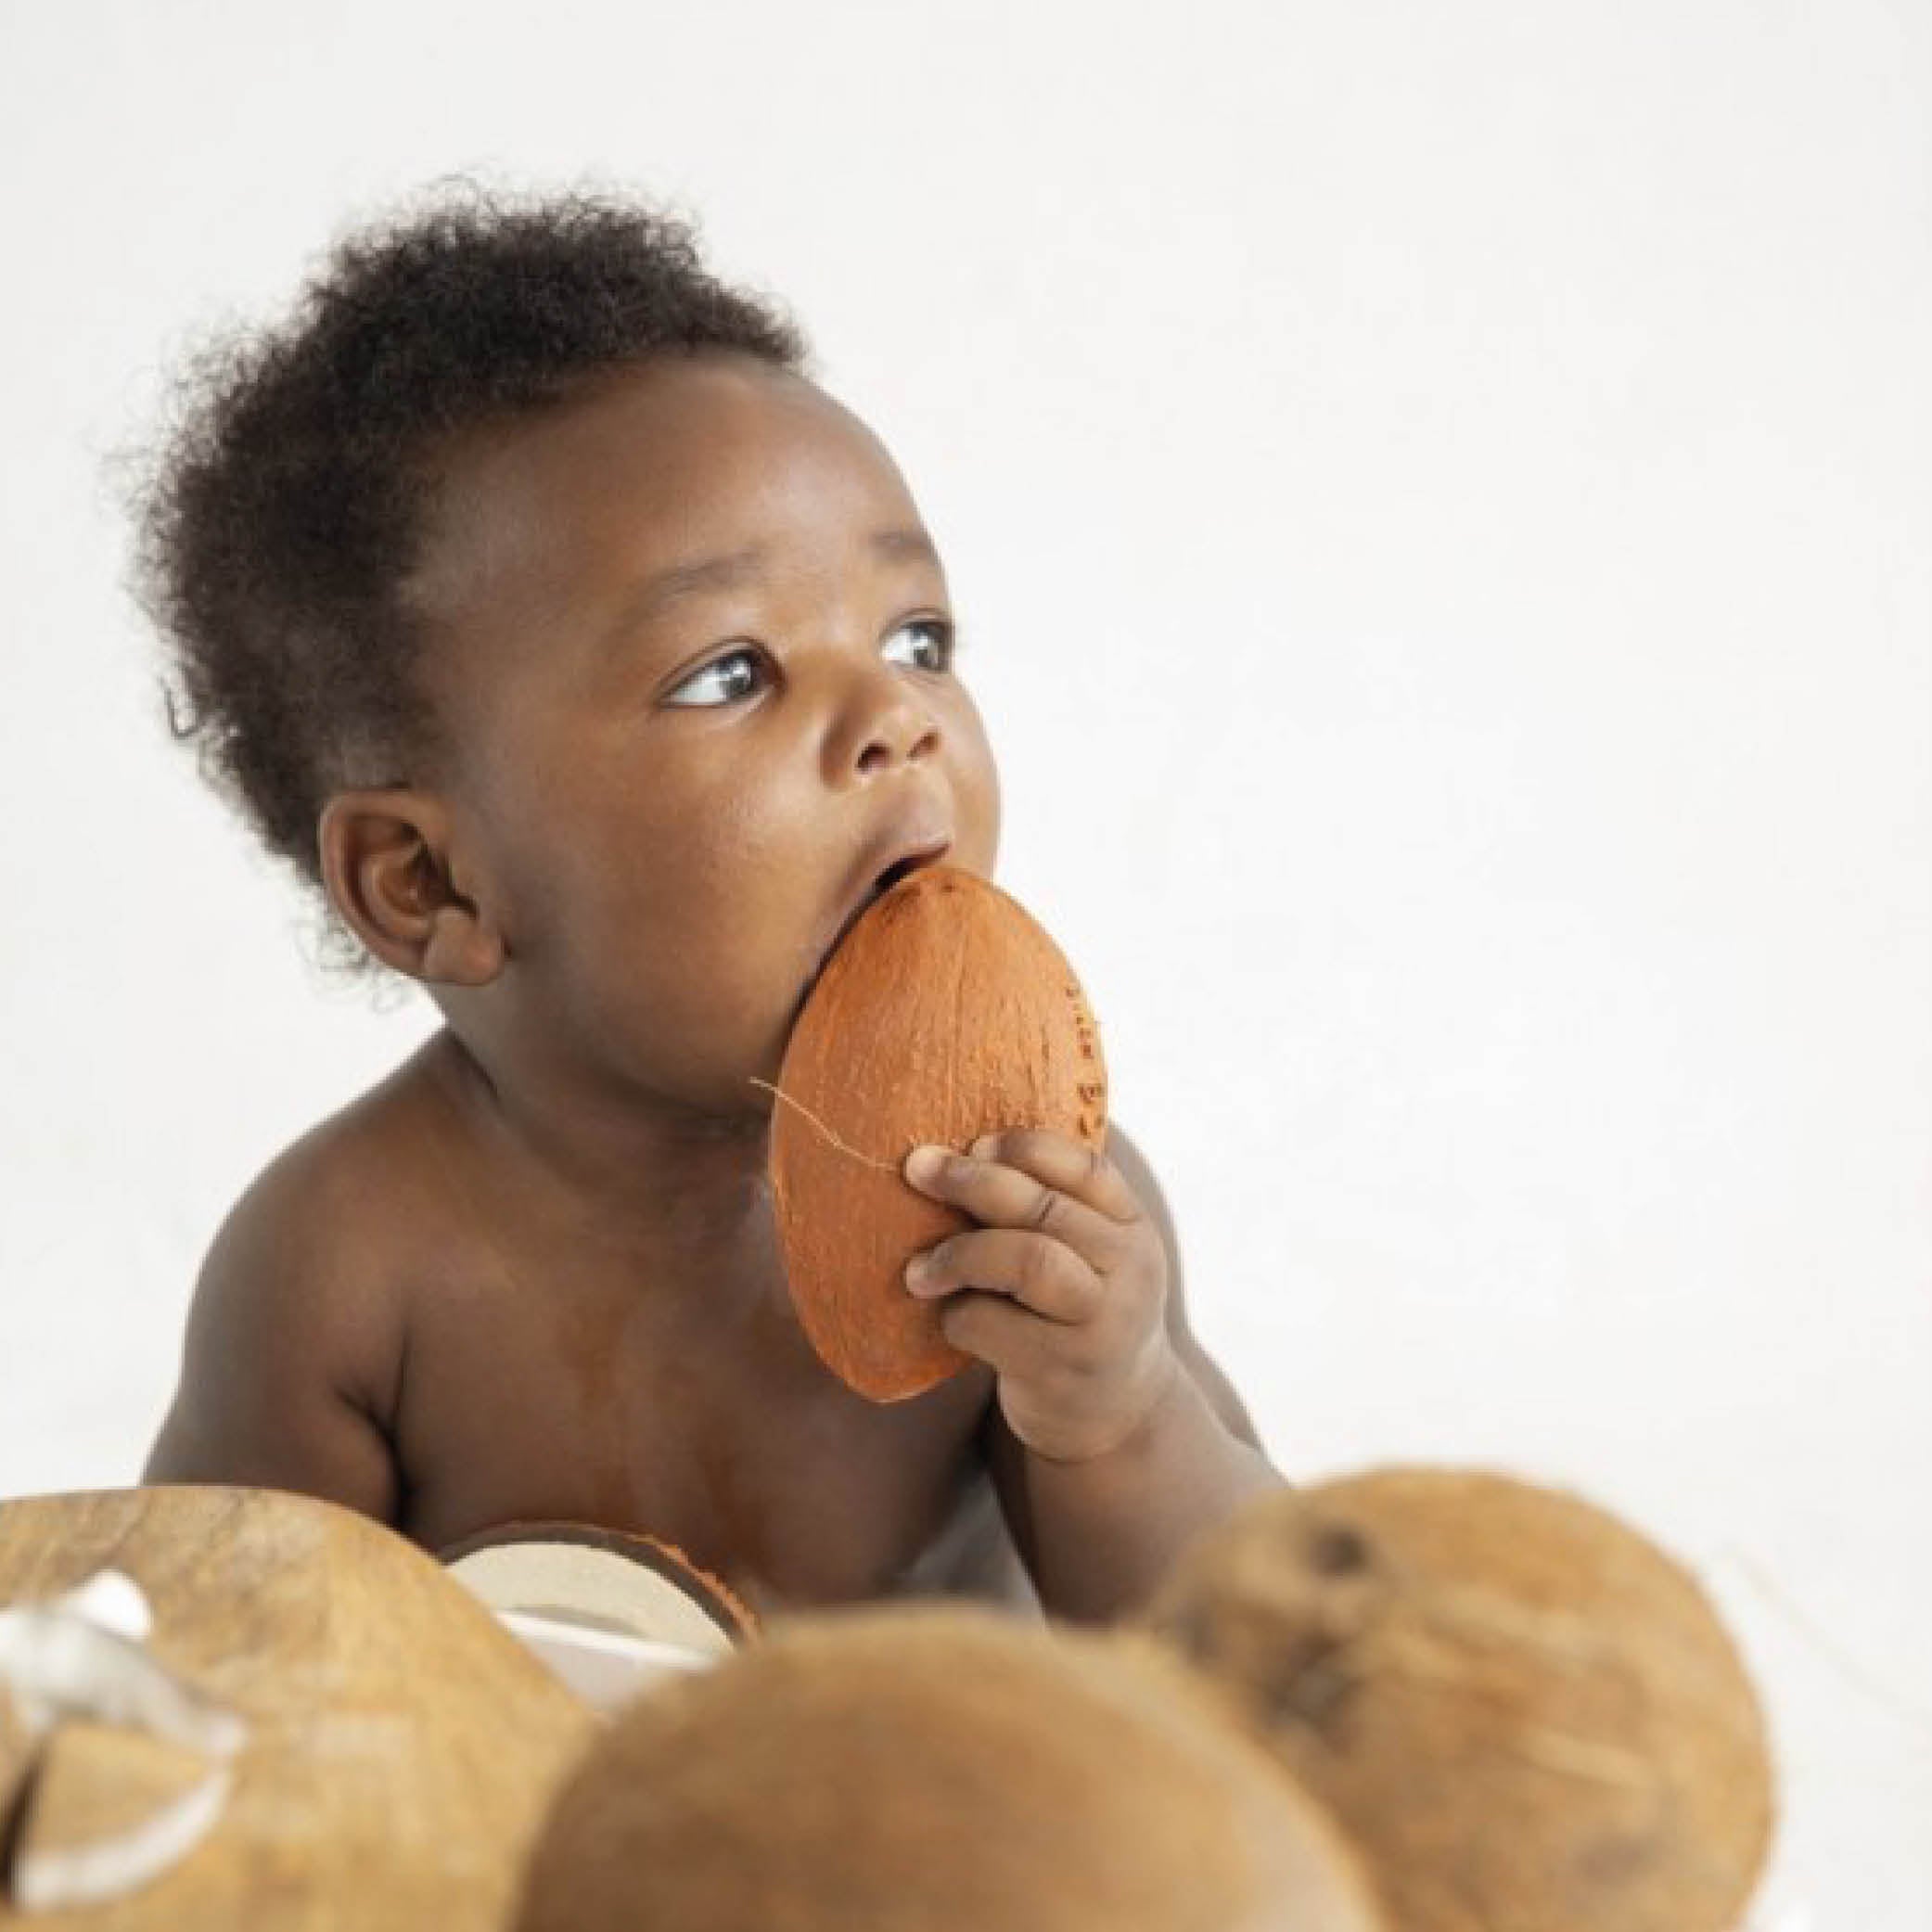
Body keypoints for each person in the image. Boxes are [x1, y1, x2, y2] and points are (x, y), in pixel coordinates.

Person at [139, 186, 1282, 1623]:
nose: (894, 715)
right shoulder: (346, 1272)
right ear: (428, 884)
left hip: (946, 1816)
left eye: (916, 638)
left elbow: (1250, 1644)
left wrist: (1120, 1414)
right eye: (730, 672)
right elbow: (199, 1669)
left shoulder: (1021, 1201)